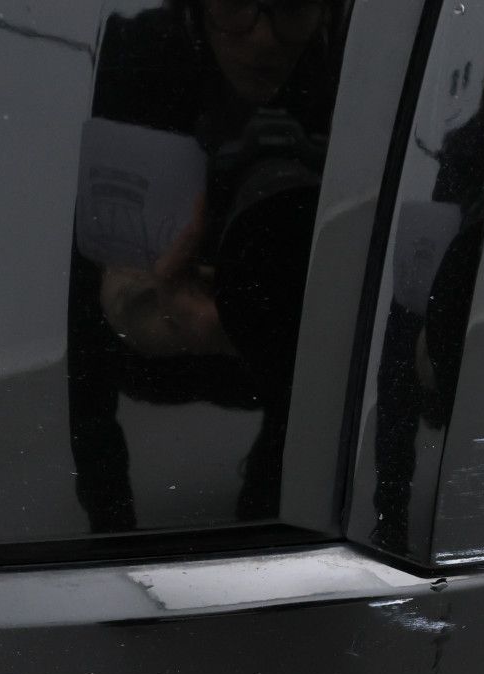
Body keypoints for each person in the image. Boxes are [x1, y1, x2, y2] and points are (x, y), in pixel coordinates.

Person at [67, 0, 341, 532]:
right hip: (160, 336)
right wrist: (110, 522)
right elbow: (85, 275)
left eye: (293, 5)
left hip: (280, 342)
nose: (263, 38)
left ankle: (271, 493)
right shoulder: (136, 57)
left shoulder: (356, 71)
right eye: (235, 4)